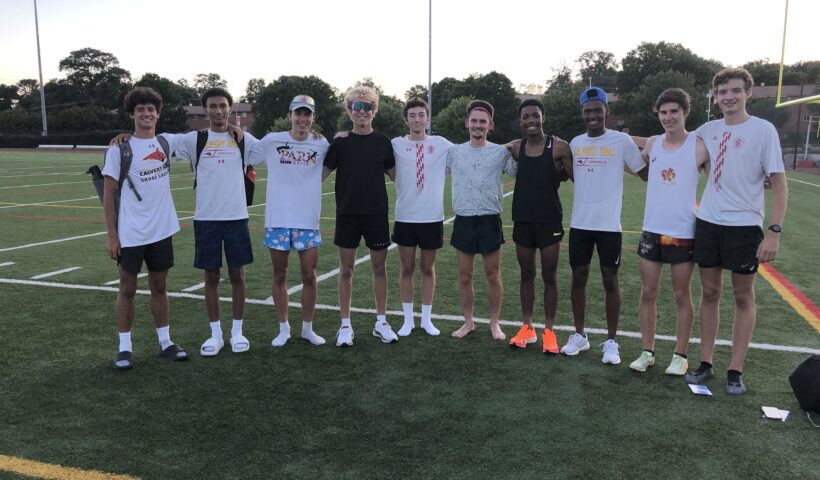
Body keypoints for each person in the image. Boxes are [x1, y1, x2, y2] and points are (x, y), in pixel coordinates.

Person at [684, 67, 788, 394]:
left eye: (735, 91)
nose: (728, 97)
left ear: (748, 93)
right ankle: (706, 362)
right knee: (710, 293)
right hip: (710, 223)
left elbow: (780, 185)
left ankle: (735, 369)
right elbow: (673, 144)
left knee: (743, 296)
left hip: (744, 226)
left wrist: (773, 232)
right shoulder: (708, 129)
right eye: (723, 92)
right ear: (715, 97)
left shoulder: (763, 130)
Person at [628, 88, 710, 375]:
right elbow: (635, 164)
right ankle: (647, 351)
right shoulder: (652, 144)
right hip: (652, 229)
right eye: (663, 112)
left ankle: (680, 354)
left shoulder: (699, 145)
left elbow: (718, 176)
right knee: (648, 291)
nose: (668, 117)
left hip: (683, 231)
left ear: (685, 112)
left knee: (680, 294)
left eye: (674, 111)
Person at [103, 87, 186, 369]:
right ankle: (124, 347)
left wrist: (234, 127)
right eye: (140, 109)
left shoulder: (166, 142)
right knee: (127, 289)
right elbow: (108, 193)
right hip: (131, 232)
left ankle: (165, 342)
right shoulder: (119, 149)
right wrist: (112, 236)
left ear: (158, 114)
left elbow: (208, 134)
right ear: (131, 114)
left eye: (151, 109)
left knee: (159, 286)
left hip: (161, 229)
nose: (146, 113)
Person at [170, 87, 257, 357]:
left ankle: (237, 332)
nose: (218, 111)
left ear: (230, 108)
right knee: (211, 276)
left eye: (222, 106)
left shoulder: (245, 139)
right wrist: (125, 137)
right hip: (206, 219)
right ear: (205, 109)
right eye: (213, 106)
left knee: (237, 275)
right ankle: (216, 334)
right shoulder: (194, 140)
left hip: (236, 217)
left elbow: (277, 146)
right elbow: (156, 141)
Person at [564, 87, 647, 364]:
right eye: (587, 111)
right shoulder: (575, 143)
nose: (592, 116)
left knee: (610, 280)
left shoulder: (621, 141)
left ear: (606, 112)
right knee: (578, 278)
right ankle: (580, 336)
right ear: (582, 113)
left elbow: (645, 172)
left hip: (610, 226)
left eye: (597, 110)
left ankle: (611, 341)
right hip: (580, 225)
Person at [248, 95, 329, 347]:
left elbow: (338, 155)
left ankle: (307, 328)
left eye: (307, 114)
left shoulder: (321, 143)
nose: (302, 119)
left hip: (307, 220)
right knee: (280, 274)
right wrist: (232, 128)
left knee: (309, 276)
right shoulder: (272, 141)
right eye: (298, 113)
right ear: (290, 115)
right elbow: (246, 152)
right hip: (278, 219)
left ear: (313, 117)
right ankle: (283, 328)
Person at [323, 86, 397, 347]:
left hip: (377, 213)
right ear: (349, 111)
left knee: (379, 268)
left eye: (367, 107)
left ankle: (381, 322)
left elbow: (397, 176)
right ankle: (345, 325)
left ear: (374, 111)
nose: (362, 111)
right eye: (357, 106)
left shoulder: (383, 142)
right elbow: (318, 174)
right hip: (347, 214)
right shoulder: (340, 142)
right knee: (346, 270)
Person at [446, 100, 517, 340]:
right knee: (465, 275)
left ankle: (494, 322)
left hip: (489, 219)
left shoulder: (500, 152)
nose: (477, 125)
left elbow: (519, 170)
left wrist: (518, 147)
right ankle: (468, 322)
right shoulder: (454, 152)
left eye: (482, 121)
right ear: (467, 123)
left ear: (490, 125)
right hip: (464, 219)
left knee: (493, 274)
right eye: (474, 121)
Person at [506, 99, 573, 353]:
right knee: (526, 274)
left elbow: (573, 177)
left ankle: (549, 331)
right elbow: (494, 148)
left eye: (535, 115)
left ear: (542, 117)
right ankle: (527, 328)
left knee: (549, 276)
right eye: (526, 117)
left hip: (549, 221)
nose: (531, 120)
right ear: (520, 121)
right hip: (523, 219)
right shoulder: (515, 147)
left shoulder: (559, 147)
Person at [391, 98, 453, 337]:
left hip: (432, 217)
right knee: (407, 267)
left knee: (428, 267)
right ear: (406, 119)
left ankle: (426, 319)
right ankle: (407, 320)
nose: (417, 119)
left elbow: (470, 147)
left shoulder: (441, 144)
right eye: (412, 115)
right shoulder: (396, 144)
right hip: (405, 215)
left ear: (427, 118)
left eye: (421, 115)